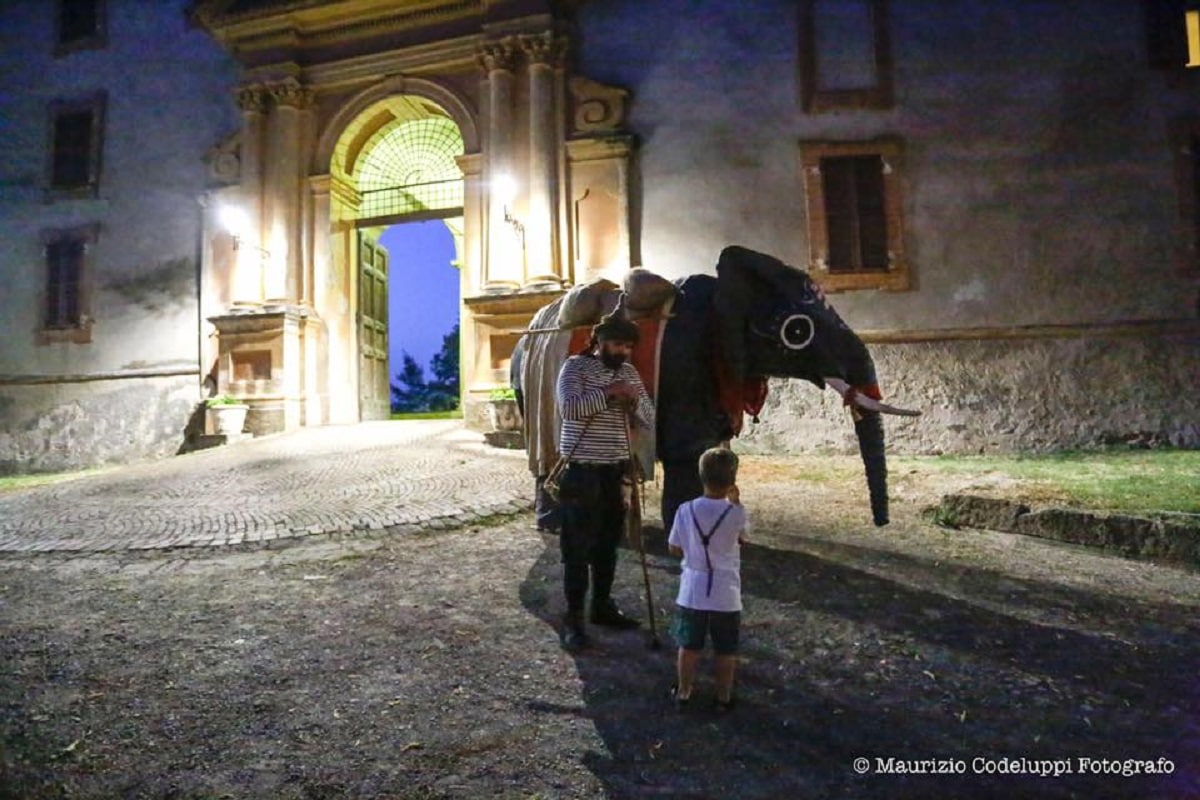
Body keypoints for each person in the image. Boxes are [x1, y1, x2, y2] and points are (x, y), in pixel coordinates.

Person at [554, 306, 655, 652]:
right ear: (597, 340)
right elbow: (569, 408)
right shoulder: (575, 367)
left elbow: (648, 416)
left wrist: (632, 403)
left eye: (628, 347)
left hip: (615, 470)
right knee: (576, 549)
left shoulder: (629, 372)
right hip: (581, 471)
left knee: (607, 545)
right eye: (616, 345)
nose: (623, 352)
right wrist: (611, 394)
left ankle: (601, 607)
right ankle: (574, 618)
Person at [667, 447, 749, 711]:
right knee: (726, 649)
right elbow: (743, 539)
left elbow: (674, 546)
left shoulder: (685, 510)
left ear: (700, 476)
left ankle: (684, 692)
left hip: (693, 588)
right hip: (727, 590)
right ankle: (723, 697)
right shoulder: (737, 513)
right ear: (732, 480)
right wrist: (736, 503)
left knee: (688, 646)